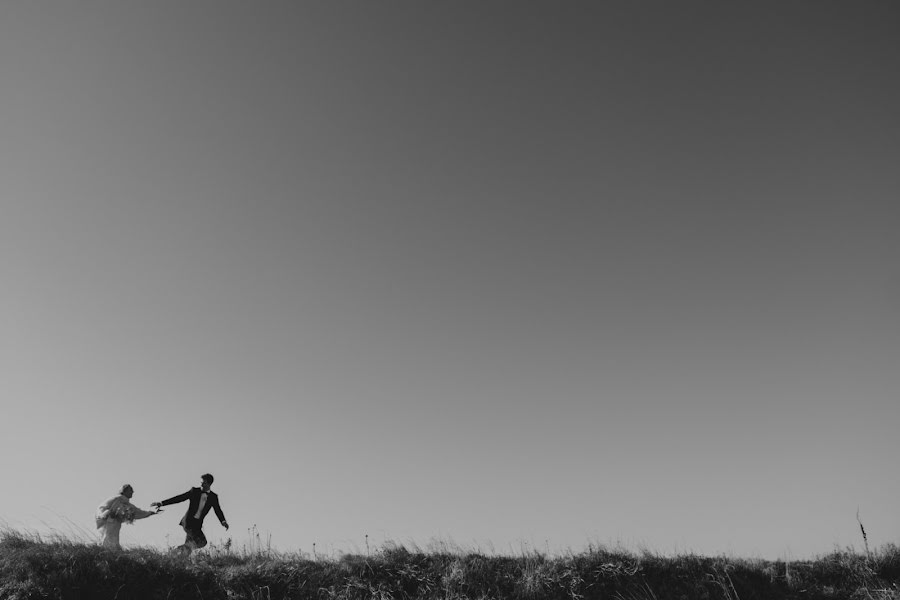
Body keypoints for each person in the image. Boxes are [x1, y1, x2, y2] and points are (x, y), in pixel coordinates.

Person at [151, 473, 228, 555]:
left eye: (204, 483)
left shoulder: (213, 497)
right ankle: (175, 549)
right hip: (188, 523)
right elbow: (180, 498)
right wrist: (162, 503)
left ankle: (179, 561)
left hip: (197, 525)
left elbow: (218, 510)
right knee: (202, 542)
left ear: (209, 484)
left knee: (188, 549)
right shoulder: (194, 491)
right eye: (200, 482)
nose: (201, 484)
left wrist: (223, 521)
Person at [95, 484, 159, 550]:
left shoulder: (126, 503)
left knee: (113, 539)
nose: (132, 492)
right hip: (109, 523)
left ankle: (112, 553)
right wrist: (103, 515)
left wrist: (149, 513)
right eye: (130, 490)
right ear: (124, 491)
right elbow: (101, 508)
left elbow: (137, 512)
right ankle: (105, 551)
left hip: (116, 524)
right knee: (107, 538)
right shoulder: (116, 499)